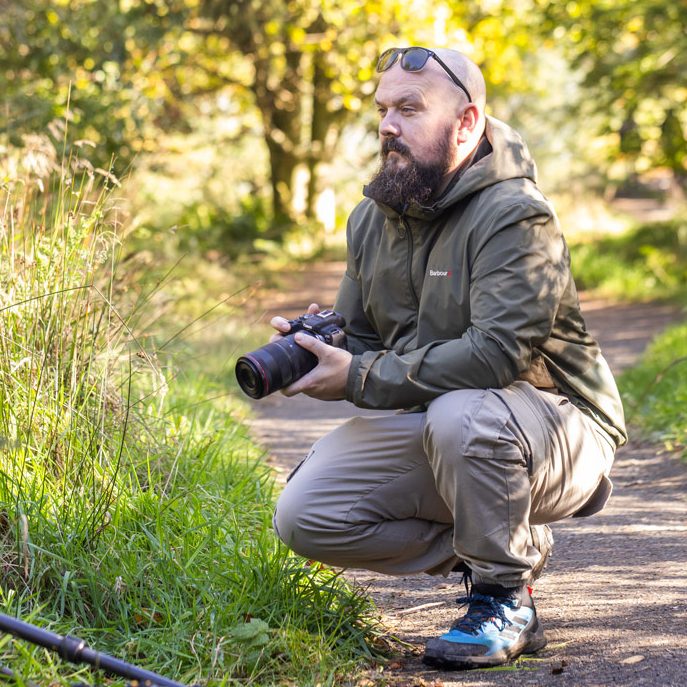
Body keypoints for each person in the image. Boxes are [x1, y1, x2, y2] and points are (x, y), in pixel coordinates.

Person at [269, 46, 627, 670]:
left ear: (467, 122)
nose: (388, 126)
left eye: (409, 108)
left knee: (464, 414)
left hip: (560, 428)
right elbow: (363, 339)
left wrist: (358, 376)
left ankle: (503, 597)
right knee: (307, 515)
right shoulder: (371, 219)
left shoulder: (515, 214)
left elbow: (495, 356)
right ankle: (504, 538)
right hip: (450, 424)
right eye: (383, 110)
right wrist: (315, 349)